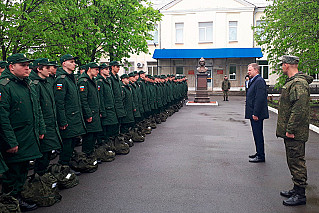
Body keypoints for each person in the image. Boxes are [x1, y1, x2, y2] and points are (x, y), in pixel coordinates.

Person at [0, 53, 44, 211]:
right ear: (11, 67)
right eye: (23, 65)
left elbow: (36, 108)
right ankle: (10, 200)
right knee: (13, 172)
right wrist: (10, 142)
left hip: (28, 136)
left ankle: (17, 196)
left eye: (27, 65)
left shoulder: (28, 83)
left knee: (24, 168)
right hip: (16, 138)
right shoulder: (4, 86)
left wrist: (40, 128)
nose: (27, 68)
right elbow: (2, 118)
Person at [276, 55, 313, 206]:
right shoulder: (293, 82)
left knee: (297, 161)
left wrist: (290, 129)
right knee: (292, 160)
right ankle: (296, 188)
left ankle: (300, 194)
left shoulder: (298, 83)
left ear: (288, 65)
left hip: (295, 132)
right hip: (291, 131)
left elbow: (299, 109)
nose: (282, 67)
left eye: (283, 64)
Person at [54, 54, 86, 174]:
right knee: (67, 145)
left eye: (74, 62)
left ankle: (67, 167)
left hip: (74, 117)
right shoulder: (61, 79)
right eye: (71, 62)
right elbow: (59, 102)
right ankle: (63, 168)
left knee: (72, 143)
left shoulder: (70, 78)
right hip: (68, 118)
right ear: (64, 63)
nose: (74, 64)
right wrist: (62, 120)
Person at [30, 58, 62, 176]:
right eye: (47, 68)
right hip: (44, 124)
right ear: (39, 69)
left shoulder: (47, 82)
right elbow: (37, 108)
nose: (50, 70)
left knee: (48, 152)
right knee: (43, 154)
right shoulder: (35, 84)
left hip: (51, 123)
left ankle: (43, 177)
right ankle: (39, 178)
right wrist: (41, 126)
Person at [78, 62, 102, 163]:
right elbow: (83, 99)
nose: (97, 71)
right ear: (89, 69)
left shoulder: (92, 80)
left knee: (94, 135)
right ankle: (86, 157)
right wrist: (87, 114)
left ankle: (90, 155)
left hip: (94, 112)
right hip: (90, 113)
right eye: (95, 69)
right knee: (88, 137)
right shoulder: (83, 81)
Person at [245, 63, 269, 163]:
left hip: (257, 114)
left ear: (256, 70)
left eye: (250, 70)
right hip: (254, 113)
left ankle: (261, 156)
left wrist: (255, 113)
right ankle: (258, 153)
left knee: (258, 134)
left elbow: (259, 98)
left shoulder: (259, 81)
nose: (248, 72)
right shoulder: (254, 80)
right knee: (256, 134)